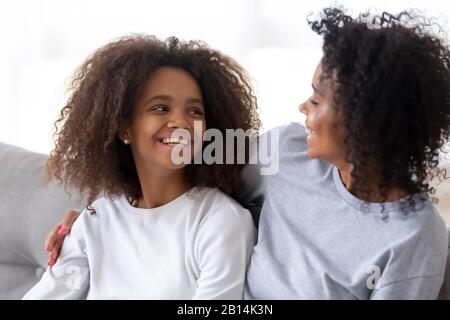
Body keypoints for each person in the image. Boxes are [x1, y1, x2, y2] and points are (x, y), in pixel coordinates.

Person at [45, 7, 450, 299]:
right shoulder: (286, 152)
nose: (303, 109)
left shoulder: (414, 235)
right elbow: (177, 160)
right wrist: (101, 214)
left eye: (317, 98)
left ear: (365, 119)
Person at [23, 35, 260, 299]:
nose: (181, 122)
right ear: (124, 128)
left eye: (195, 112)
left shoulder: (219, 221)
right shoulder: (96, 220)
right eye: (160, 108)